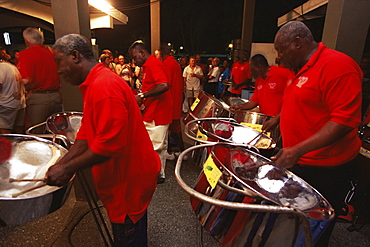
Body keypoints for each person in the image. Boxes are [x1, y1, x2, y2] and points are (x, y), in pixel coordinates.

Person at [46, 34, 160, 246]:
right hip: (122, 178)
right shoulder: (95, 83)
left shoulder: (104, 87)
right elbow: (86, 134)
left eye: (58, 62)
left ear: (75, 56)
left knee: (129, 238)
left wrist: (68, 168)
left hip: (127, 183)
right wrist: (62, 162)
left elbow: (110, 146)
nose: (58, 70)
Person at [266, 21, 362, 245]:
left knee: (314, 230)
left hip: (325, 168)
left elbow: (344, 121)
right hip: (300, 162)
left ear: (297, 43)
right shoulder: (298, 68)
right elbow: (304, 101)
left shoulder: (338, 66)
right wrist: (280, 118)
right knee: (295, 223)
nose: (278, 57)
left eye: (281, 50)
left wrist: (297, 150)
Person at [128, 41, 173, 184]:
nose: (134, 61)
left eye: (135, 57)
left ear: (142, 53)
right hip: (156, 109)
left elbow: (164, 85)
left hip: (158, 111)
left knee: (154, 145)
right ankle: (159, 174)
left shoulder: (153, 64)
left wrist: (141, 96)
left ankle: (155, 174)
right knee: (160, 145)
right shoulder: (148, 66)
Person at [17, 27, 63, 133]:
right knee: (55, 132)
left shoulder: (25, 55)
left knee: (37, 134)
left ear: (26, 40)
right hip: (56, 96)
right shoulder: (52, 53)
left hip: (38, 98)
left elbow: (26, 80)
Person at [158, 43, 187, 161]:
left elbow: (166, 85)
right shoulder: (174, 63)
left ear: (161, 52)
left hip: (170, 101)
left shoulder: (167, 64)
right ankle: (182, 151)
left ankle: (172, 151)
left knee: (168, 128)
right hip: (176, 100)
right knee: (175, 128)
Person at [0, 47, 25, 134]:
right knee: (18, 130)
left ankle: (9, 147)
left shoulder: (1, 67)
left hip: (6, 104)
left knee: (3, 129)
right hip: (18, 103)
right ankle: (19, 146)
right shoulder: (11, 66)